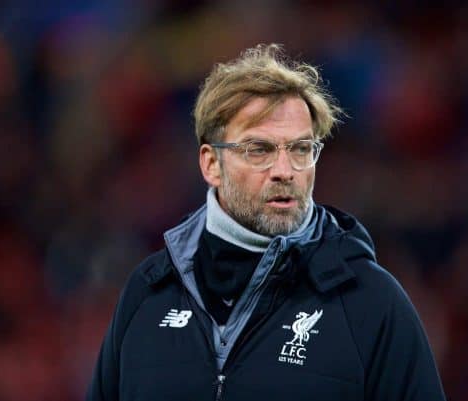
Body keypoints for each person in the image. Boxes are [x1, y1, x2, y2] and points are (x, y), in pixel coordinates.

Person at [87, 43, 446, 401]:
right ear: (211, 164)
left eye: (301, 149)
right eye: (259, 150)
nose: (285, 171)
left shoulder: (371, 303)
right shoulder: (148, 295)